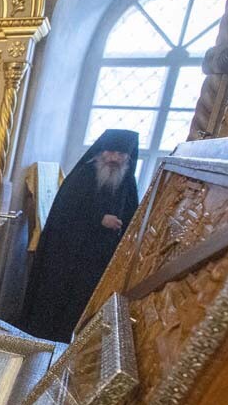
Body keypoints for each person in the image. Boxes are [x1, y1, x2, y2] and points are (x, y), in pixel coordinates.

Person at [18, 129, 140, 342]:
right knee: (56, 306)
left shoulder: (128, 182)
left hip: (101, 260)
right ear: (102, 151)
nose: (114, 158)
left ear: (128, 157)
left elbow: (132, 216)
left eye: (120, 154)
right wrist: (99, 219)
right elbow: (64, 214)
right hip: (68, 256)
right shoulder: (84, 175)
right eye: (111, 152)